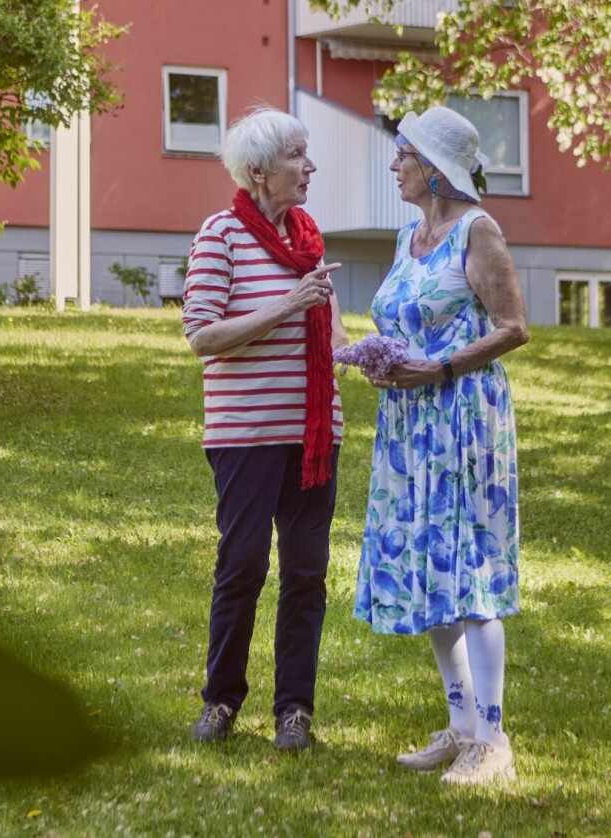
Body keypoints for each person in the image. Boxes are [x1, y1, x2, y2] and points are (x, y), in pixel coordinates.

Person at [353, 106, 529, 784]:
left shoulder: (477, 233)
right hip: (409, 422)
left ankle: (494, 739)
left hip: (463, 416)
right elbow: (403, 321)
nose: (394, 166)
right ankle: (460, 729)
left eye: (402, 155)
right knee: (430, 568)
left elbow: (514, 326)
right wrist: (383, 359)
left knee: (472, 569)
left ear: (433, 167)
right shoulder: (408, 236)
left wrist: (442, 367)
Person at [182, 107, 346, 752]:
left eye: (307, 154)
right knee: (243, 566)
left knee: (306, 572)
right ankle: (221, 700)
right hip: (245, 437)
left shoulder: (308, 239)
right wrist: (286, 305)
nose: (309, 167)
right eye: (296, 156)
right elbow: (202, 336)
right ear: (258, 170)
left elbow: (327, 328)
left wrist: (369, 356)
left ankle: (295, 711)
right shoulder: (220, 235)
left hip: (312, 437)